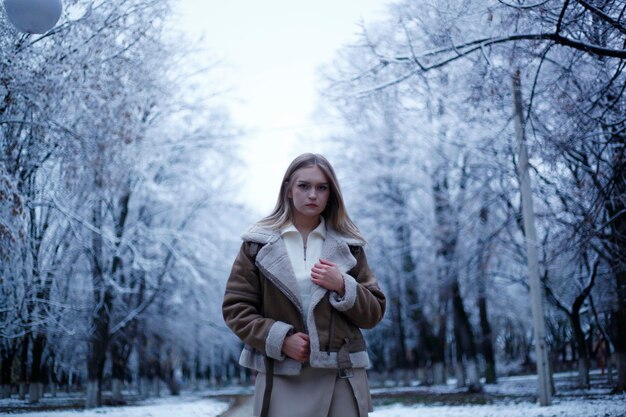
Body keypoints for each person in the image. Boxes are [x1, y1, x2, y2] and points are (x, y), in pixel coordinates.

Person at [222, 153, 386, 417]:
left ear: (331, 194)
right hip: (283, 373)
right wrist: (281, 339)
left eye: (322, 188)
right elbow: (236, 309)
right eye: (304, 186)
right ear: (288, 189)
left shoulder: (349, 246)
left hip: (341, 375)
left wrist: (343, 285)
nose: (313, 195)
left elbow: (374, 312)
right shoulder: (257, 244)